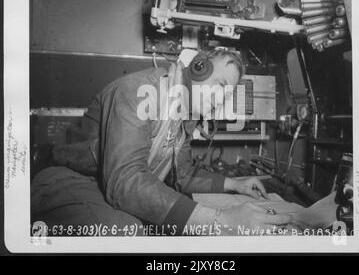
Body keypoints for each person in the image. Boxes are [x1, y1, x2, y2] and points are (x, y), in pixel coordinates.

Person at [31, 48, 292, 236]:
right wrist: (220, 220)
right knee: (127, 233)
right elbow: (125, 182)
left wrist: (235, 183)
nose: (223, 98)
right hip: (68, 180)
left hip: (107, 187)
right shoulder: (137, 91)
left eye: (229, 92)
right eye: (221, 84)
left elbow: (183, 176)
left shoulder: (184, 116)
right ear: (199, 69)